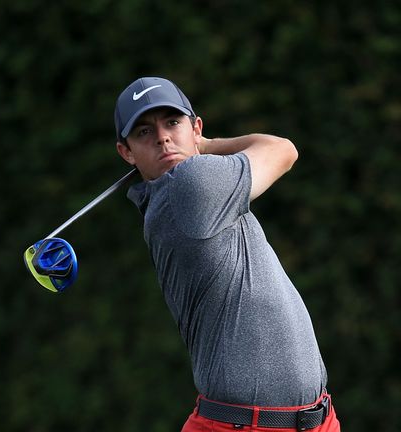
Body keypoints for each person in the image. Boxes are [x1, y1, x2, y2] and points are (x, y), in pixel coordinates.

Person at [114, 76, 341, 432]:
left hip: (313, 421)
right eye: (143, 132)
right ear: (126, 152)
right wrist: (207, 144)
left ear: (194, 125)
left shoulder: (177, 194)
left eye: (172, 122)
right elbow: (283, 150)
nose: (162, 137)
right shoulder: (191, 185)